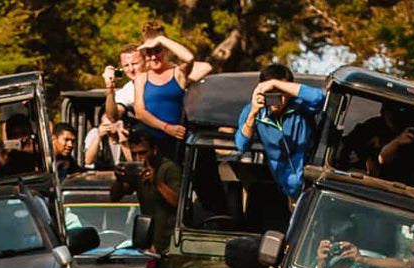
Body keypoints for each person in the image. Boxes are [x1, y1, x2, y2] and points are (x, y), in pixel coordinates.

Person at [234, 64, 325, 199]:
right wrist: (253, 113)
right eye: (270, 93)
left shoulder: (300, 105)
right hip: (283, 188)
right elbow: (241, 145)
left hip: (311, 183)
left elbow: (319, 98)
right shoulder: (253, 111)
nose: (275, 99)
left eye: (280, 92)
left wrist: (275, 83)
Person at [133, 20, 212, 158]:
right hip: (151, 145)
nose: (153, 57)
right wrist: (166, 128)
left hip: (176, 143)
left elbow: (189, 58)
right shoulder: (141, 78)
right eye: (149, 52)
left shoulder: (178, 73)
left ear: (165, 50)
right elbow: (140, 112)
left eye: (157, 51)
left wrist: (161, 39)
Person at [109, 128, 181, 253]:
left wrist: (157, 182)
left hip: (170, 243)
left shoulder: (168, 169)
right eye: (134, 154)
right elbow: (115, 197)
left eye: (142, 153)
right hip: (149, 240)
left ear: (154, 150)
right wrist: (119, 179)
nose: (138, 158)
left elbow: (177, 202)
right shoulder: (138, 171)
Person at [102, 45, 143, 123]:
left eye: (135, 64)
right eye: (126, 65)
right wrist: (110, 88)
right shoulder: (128, 90)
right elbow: (114, 117)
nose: (131, 69)